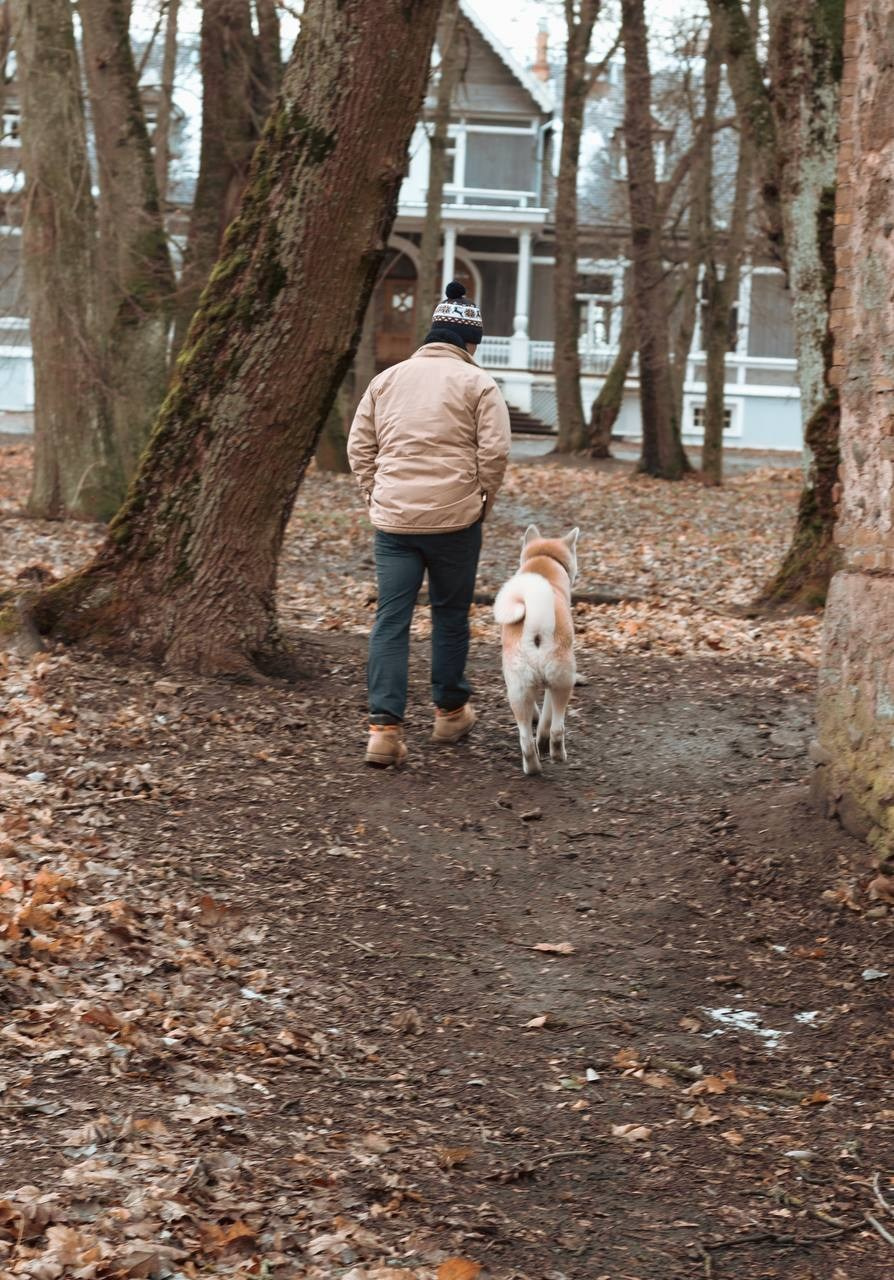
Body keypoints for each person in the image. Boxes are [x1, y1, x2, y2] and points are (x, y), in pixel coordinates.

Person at [347, 280, 511, 767]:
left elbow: (360, 446)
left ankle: (383, 730)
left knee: (390, 620)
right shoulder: (479, 384)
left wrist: (375, 493)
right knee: (450, 615)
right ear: (469, 342)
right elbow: (495, 452)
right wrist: (482, 500)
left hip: (394, 523)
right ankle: (450, 713)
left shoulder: (386, 380)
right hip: (456, 521)